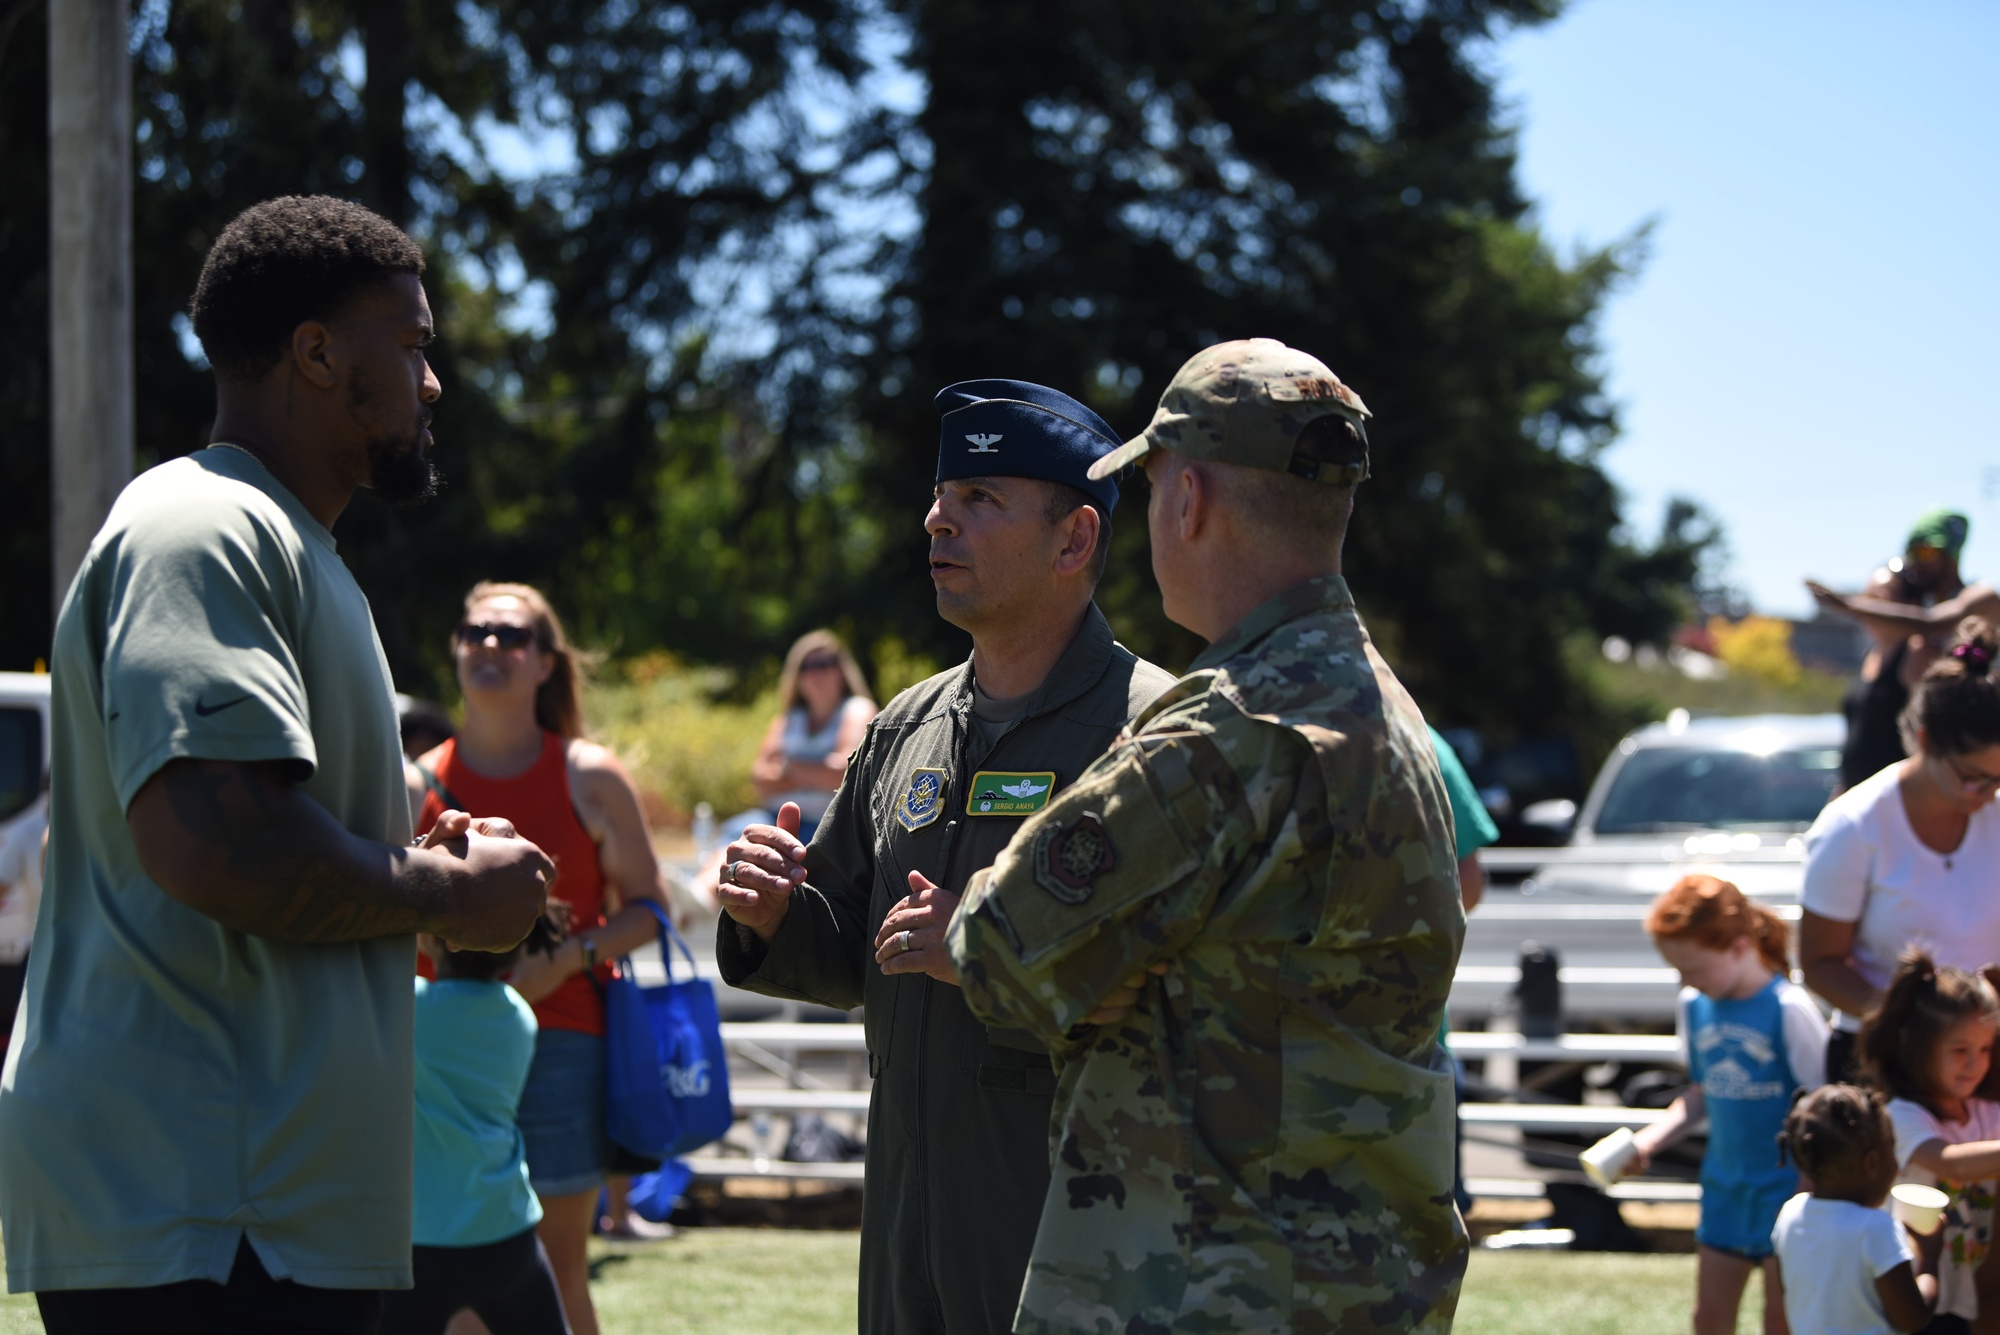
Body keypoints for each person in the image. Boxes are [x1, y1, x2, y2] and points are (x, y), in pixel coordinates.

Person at [0, 195, 552, 1330]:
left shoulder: (297, 548)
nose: (431, 383)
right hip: (203, 1211)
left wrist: (409, 864)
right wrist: (452, 895)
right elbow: (218, 839)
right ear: (313, 353)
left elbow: (254, 832)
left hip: (257, 1207)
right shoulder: (201, 526)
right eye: (408, 345)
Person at [945, 338, 1468, 1331]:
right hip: (1358, 1289)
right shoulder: (1390, 718)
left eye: (1146, 494)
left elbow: (1001, 950)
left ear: (1186, 498)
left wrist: (1105, 965)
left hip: (1197, 1289)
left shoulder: (1230, 731)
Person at [715, 379, 1175, 1333]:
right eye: (939, 497)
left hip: (1074, 1222)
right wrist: (772, 914)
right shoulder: (903, 727)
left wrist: (988, 941)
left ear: (1074, 538)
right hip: (907, 1217)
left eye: (980, 500)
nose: (936, 520)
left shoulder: (1157, 731)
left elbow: (1190, 984)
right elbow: (851, 943)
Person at [411, 581, 674, 1335]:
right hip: (436, 1061)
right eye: (475, 631)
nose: (489, 645)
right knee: (445, 1291)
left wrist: (567, 959)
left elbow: (650, 910)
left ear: (546, 663)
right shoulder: (413, 781)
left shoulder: (589, 774)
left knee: (557, 1274)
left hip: (563, 1042)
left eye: (511, 634)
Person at [1799, 617, 2000, 1083]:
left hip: (1985, 1059)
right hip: (1884, 1062)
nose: (1985, 793)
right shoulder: (1853, 826)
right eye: (1973, 776)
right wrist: (1914, 1022)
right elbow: (1819, 964)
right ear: (1925, 740)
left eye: (1999, 779)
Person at [1629, 875, 1828, 1335]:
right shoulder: (1695, 1004)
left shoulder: (1789, 1007)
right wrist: (1648, 1142)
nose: (1686, 980)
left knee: (1782, 1320)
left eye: (1695, 968)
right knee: (1709, 1319)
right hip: (1726, 1188)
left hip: (1788, 1192)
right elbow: (1702, 1091)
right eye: (1678, 970)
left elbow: (1823, 1105)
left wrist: (1812, 1181)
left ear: (1740, 948)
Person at [384, 919, 572, 1335]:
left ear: (432, 938)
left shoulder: (409, 1004)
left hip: (418, 1241)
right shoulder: (519, 1014)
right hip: (506, 1232)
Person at [1859, 950, 2000, 1333]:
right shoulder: (1902, 1115)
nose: (1975, 1064)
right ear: (1916, 1047)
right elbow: (1950, 1161)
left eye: (1985, 1049)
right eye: (1960, 1051)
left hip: (1965, 1283)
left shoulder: (1985, 1112)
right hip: (1914, 1286)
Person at [1810, 513, 1971, 791]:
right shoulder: (1870, 656)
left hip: (1900, 807)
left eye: (1879, 601)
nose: (1867, 609)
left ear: (1906, 604)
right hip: (1862, 805)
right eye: (1865, 599)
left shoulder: (1919, 653)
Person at [1771, 1084, 1939, 1335]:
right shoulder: (1877, 1228)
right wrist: (1929, 1257)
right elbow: (1913, 1318)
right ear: (1872, 1162)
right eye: (1892, 1147)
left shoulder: (1790, 1214)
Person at [747, 630, 876, 844]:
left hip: (828, 826)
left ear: (841, 671)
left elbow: (845, 774)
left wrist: (787, 767)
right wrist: (818, 774)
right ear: (797, 676)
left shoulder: (858, 710)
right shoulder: (788, 719)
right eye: (806, 667)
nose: (815, 673)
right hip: (772, 818)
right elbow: (760, 779)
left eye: (824, 664)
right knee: (729, 849)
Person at [0, 773, 47, 1034]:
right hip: (86, 952)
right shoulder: (96, 827)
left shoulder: (30, 831)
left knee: (31, 1034)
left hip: (39, 953)